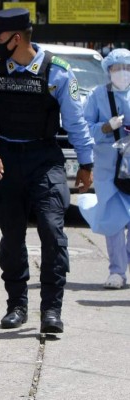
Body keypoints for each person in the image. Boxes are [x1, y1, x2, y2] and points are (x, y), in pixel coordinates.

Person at [0, 8, 94, 334]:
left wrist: (86, 163)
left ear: (16, 37)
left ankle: (51, 309)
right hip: (6, 159)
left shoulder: (58, 72)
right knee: (12, 235)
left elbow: (76, 123)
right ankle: (17, 305)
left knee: (52, 231)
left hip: (44, 158)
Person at [79, 48, 130, 289]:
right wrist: (106, 128)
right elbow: (84, 128)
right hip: (108, 169)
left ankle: (125, 261)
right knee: (114, 221)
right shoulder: (98, 95)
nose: (122, 72)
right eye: (116, 68)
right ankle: (117, 271)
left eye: (126, 67)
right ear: (108, 71)